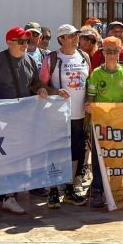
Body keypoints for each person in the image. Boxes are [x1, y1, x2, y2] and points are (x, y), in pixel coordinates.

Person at [0, 27, 42, 220]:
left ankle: (10, 197)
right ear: (9, 42)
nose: (25, 45)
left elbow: (35, 84)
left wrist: (41, 91)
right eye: (20, 41)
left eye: (26, 41)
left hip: (21, 118)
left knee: (17, 159)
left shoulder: (30, 61)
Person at [38, 24, 90, 208]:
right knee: (56, 150)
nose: (75, 39)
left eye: (76, 35)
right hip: (57, 114)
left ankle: (68, 188)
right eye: (70, 36)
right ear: (61, 39)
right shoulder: (52, 58)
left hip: (78, 113)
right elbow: (41, 85)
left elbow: (88, 83)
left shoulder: (84, 57)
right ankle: (53, 190)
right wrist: (55, 91)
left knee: (76, 151)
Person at [85, 36, 123, 209]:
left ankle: (115, 188)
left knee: (118, 157)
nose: (112, 54)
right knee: (99, 160)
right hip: (100, 124)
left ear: (121, 51)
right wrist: (89, 108)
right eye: (108, 51)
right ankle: (97, 190)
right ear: (103, 52)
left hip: (119, 124)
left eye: (115, 51)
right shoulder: (97, 74)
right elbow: (90, 98)